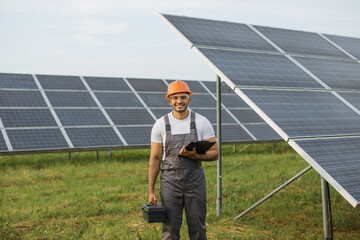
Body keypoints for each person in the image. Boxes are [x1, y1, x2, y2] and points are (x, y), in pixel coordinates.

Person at [148, 80, 219, 240]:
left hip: (195, 181)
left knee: (198, 228)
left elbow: (215, 153)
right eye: (175, 98)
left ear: (189, 99)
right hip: (170, 183)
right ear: (169, 100)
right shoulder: (160, 125)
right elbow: (155, 158)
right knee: (169, 229)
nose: (179, 101)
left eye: (183, 97)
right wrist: (151, 190)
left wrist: (196, 156)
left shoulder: (202, 122)